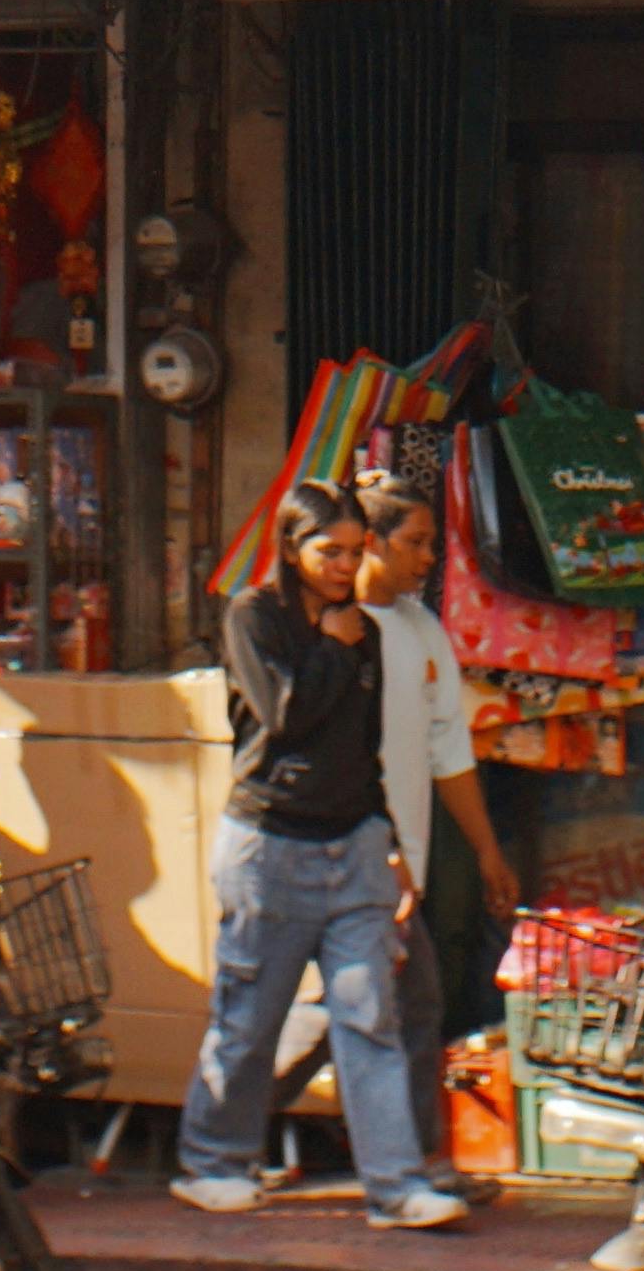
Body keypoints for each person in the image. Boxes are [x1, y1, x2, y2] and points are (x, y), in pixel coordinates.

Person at [173, 484, 466, 1232]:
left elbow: (362, 750)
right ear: (291, 548)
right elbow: (286, 717)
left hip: (356, 843)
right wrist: (333, 648)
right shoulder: (253, 616)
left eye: (352, 551)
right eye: (326, 551)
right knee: (249, 1017)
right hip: (271, 845)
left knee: (372, 1017)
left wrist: (394, 845)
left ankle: (396, 1187)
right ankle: (214, 1162)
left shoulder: (361, 630)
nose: (342, 566)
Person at [356, 482, 512, 1174]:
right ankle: (410, 1166)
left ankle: (413, 1165)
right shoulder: (337, 630)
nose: (426, 558)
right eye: (414, 542)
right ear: (371, 540)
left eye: (430, 543)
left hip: (405, 863)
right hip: (353, 857)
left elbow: (449, 749)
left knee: (405, 1007)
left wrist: (486, 851)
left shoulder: (421, 630)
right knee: (392, 1008)